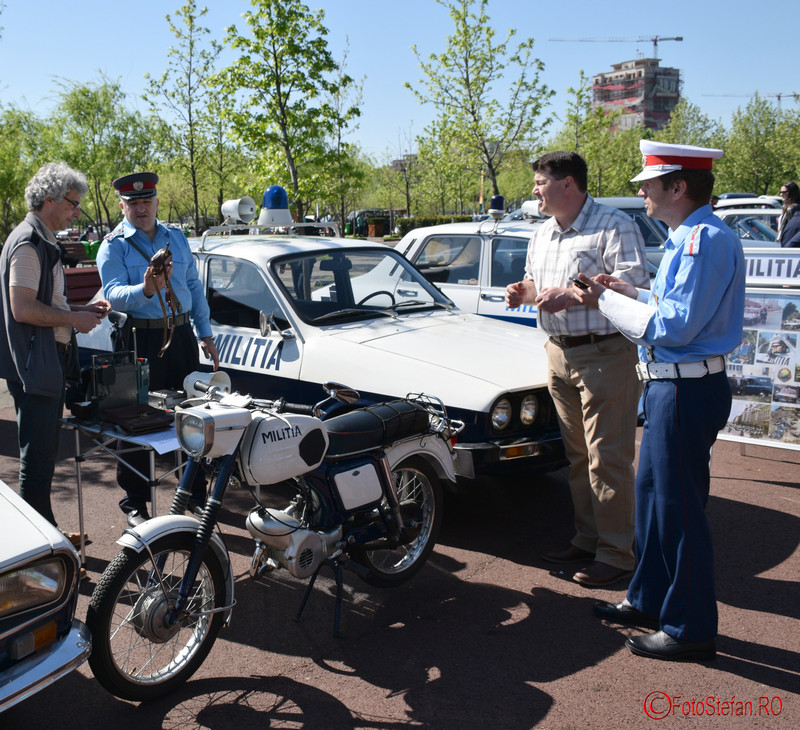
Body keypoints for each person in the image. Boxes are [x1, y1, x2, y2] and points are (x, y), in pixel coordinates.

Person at [574, 140, 746, 661]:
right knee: (653, 502)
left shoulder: (702, 240)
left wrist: (602, 300)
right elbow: (668, 306)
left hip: (685, 385)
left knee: (678, 513)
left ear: (678, 186)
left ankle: (690, 628)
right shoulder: (690, 235)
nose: (642, 192)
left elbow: (674, 327)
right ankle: (650, 598)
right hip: (673, 384)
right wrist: (626, 294)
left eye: (649, 184)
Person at [504, 151, 649, 587]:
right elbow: (536, 286)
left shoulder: (615, 225)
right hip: (558, 352)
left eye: (540, 182)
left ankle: (617, 554)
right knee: (578, 457)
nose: (534, 190)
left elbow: (632, 291)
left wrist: (571, 296)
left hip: (605, 354)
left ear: (568, 184)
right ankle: (588, 539)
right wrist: (521, 291)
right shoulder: (542, 234)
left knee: (609, 458)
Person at [97, 171, 219, 527]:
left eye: (146, 201)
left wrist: (205, 333)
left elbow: (193, 287)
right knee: (135, 421)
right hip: (138, 339)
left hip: (179, 337)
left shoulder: (176, 238)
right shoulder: (114, 245)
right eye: (133, 203)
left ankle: (195, 493)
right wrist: (145, 289)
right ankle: (134, 501)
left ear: (157, 202)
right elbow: (113, 292)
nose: (141, 208)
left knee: (192, 413)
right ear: (123, 206)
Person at [0, 162, 110, 533]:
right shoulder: (30, 243)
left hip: (40, 362)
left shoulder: (39, 238)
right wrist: (73, 320)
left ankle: (45, 534)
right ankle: (41, 548)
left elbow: (46, 303)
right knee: (38, 459)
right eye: (73, 204)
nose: (77, 212)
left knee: (42, 457)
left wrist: (80, 310)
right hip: (37, 364)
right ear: (50, 200)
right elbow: (23, 308)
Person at [776, 181, 800, 247]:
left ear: (792, 193)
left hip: (787, 242)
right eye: (781, 192)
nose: (781, 194)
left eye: (784, 192)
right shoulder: (787, 207)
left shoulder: (793, 208)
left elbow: (791, 230)